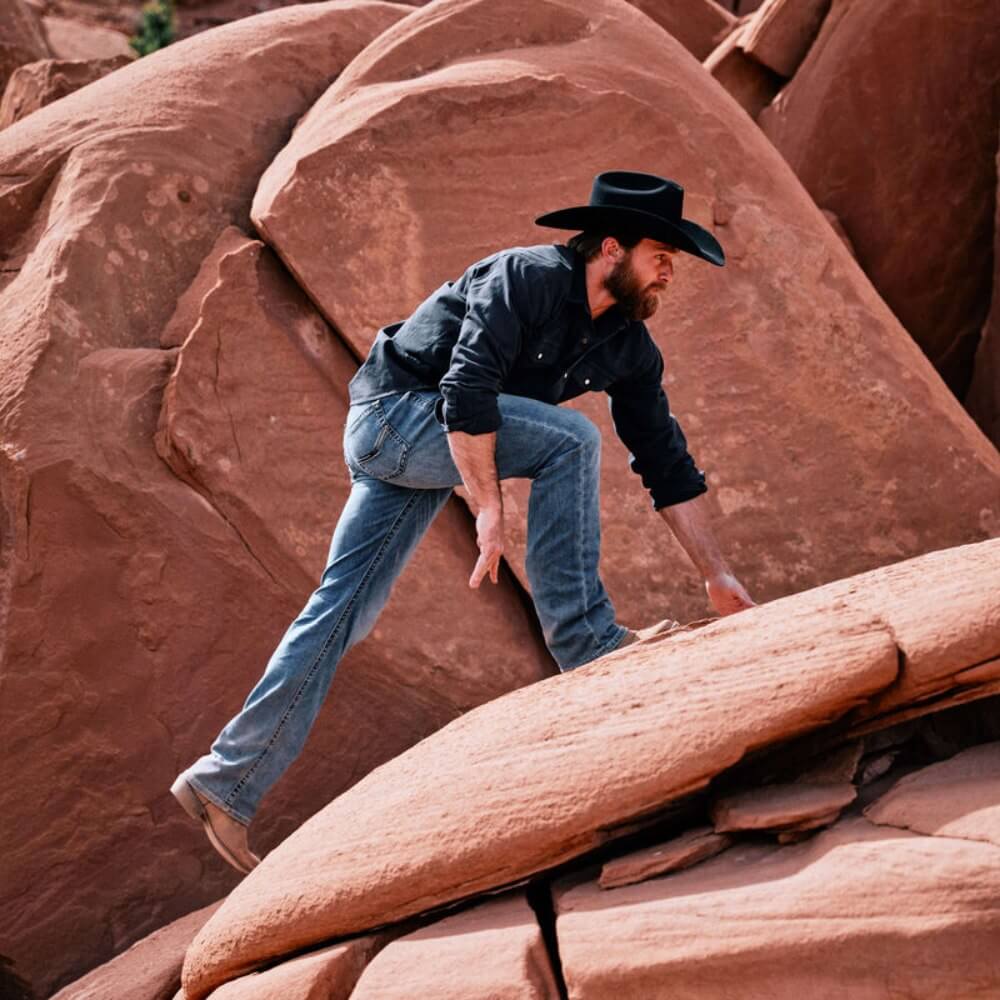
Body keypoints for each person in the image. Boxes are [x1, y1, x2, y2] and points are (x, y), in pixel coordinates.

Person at [170, 170, 755, 874]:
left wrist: (717, 574)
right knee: (572, 440)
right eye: (660, 254)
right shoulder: (526, 277)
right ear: (610, 248)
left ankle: (225, 783)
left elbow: (664, 460)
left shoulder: (628, 346)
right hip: (394, 419)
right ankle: (588, 643)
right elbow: (466, 389)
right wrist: (488, 510)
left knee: (340, 611)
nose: (669, 272)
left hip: (434, 447)